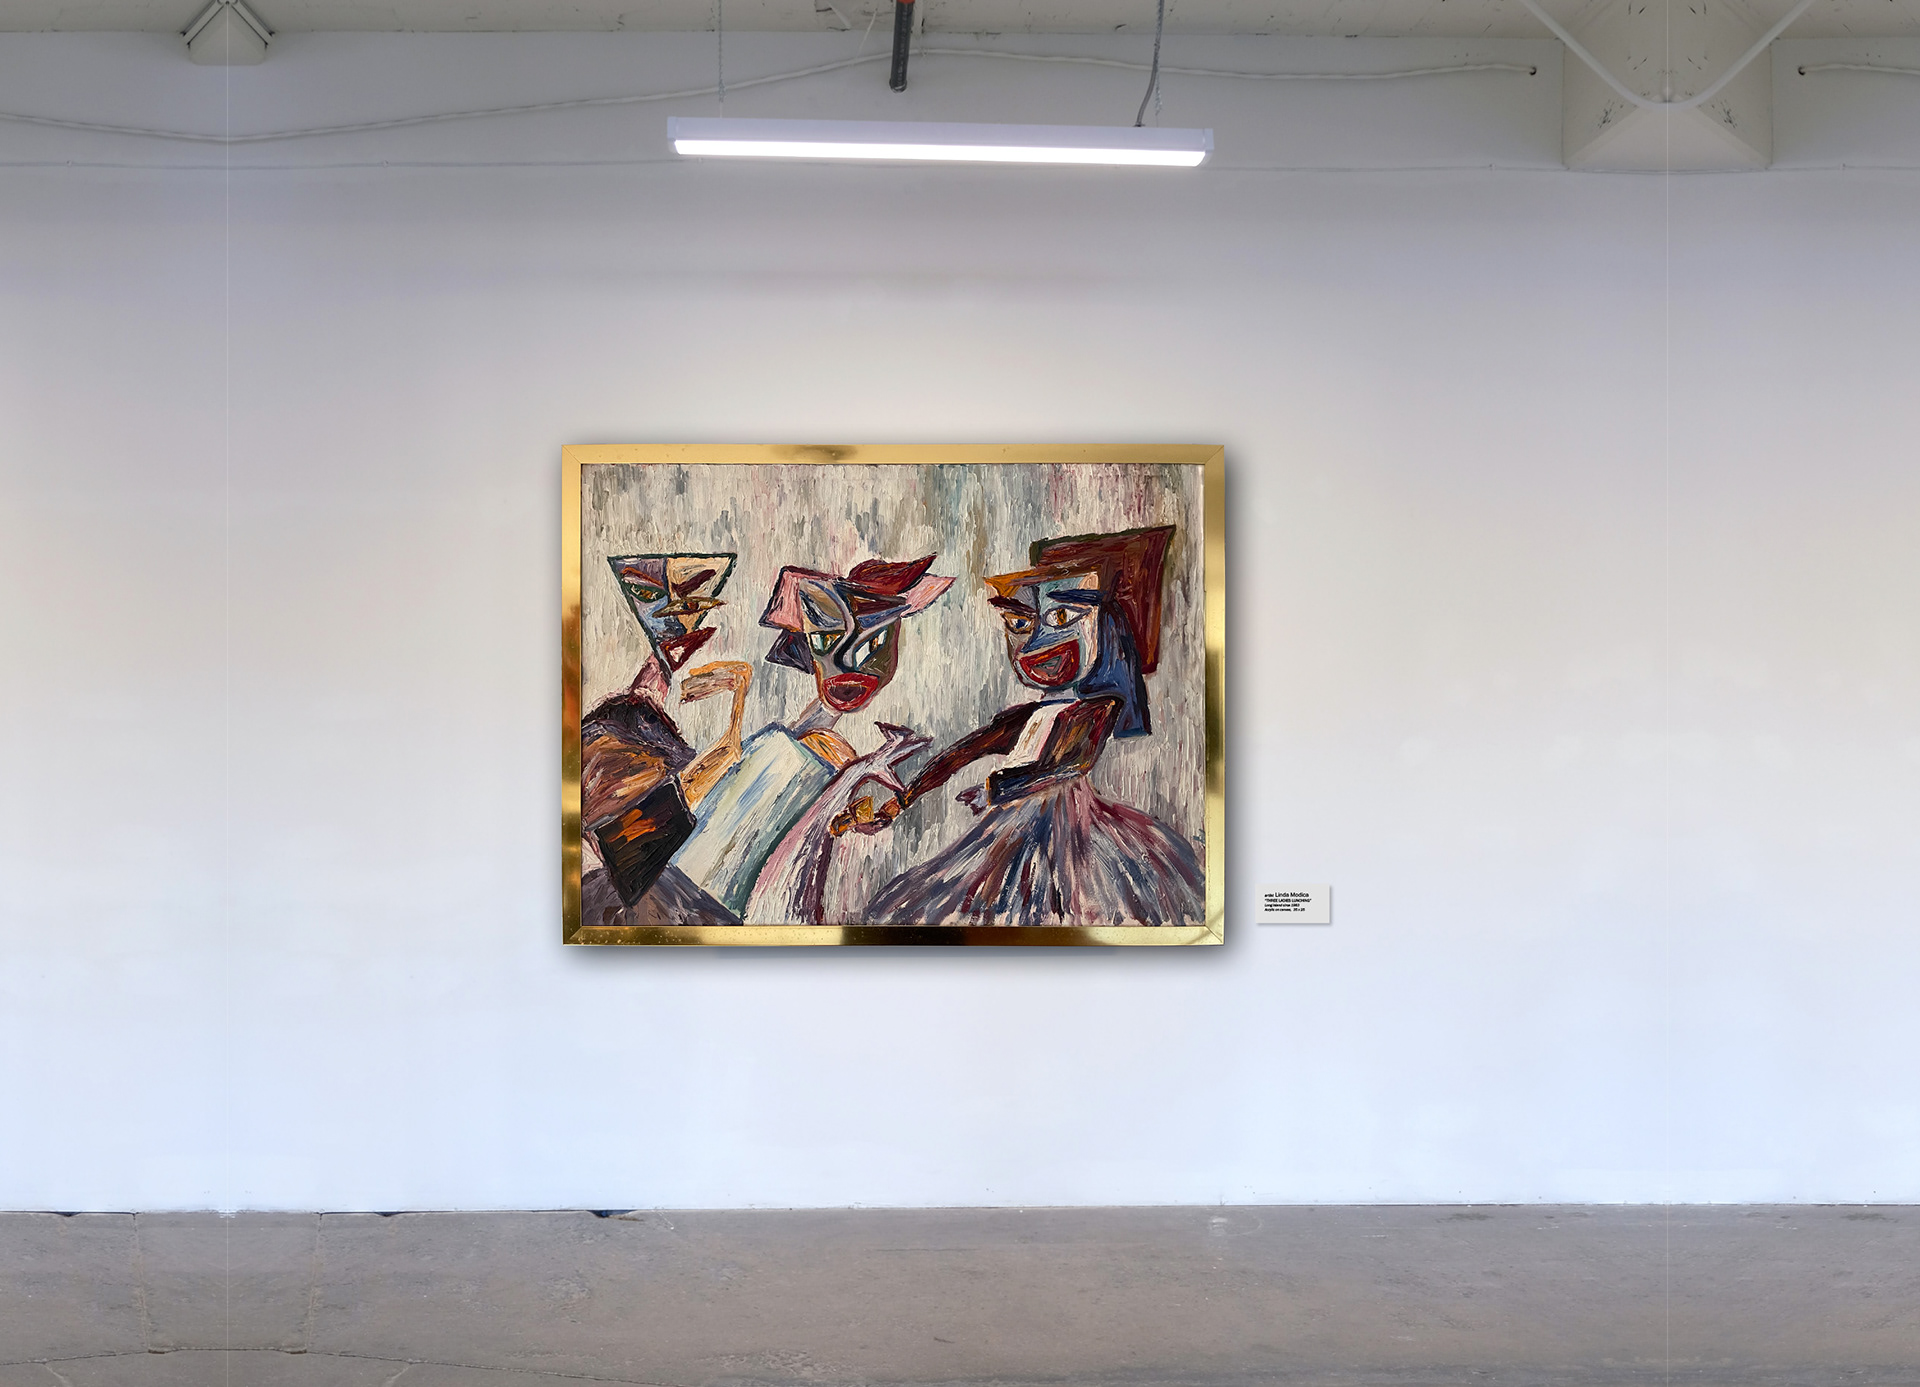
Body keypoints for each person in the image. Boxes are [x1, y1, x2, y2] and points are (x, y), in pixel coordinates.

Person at [856, 526, 1204, 928]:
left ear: (1104, 627)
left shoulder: (1097, 707)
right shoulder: (1028, 715)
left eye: (1061, 617)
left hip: (1068, 836)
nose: (1036, 641)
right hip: (1009, 827)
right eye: (1020, 623)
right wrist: (901, 800)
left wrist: (997, 788)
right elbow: (964, 751)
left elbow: (1070, 762)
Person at [671, 554, 952, 921]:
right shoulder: (793, 743)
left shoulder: (826, 746)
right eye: (825, 638)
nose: (846, 662)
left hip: (724, 899)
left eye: (871, 643)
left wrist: (856, 815)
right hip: (696, 885)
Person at [577, 552, 750, 928]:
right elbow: (686, 787)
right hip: (630, 894)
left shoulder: (637, 707)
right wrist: (737, 700)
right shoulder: (610, 733)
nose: (678, 617)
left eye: (691, 600)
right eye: (647, 594)